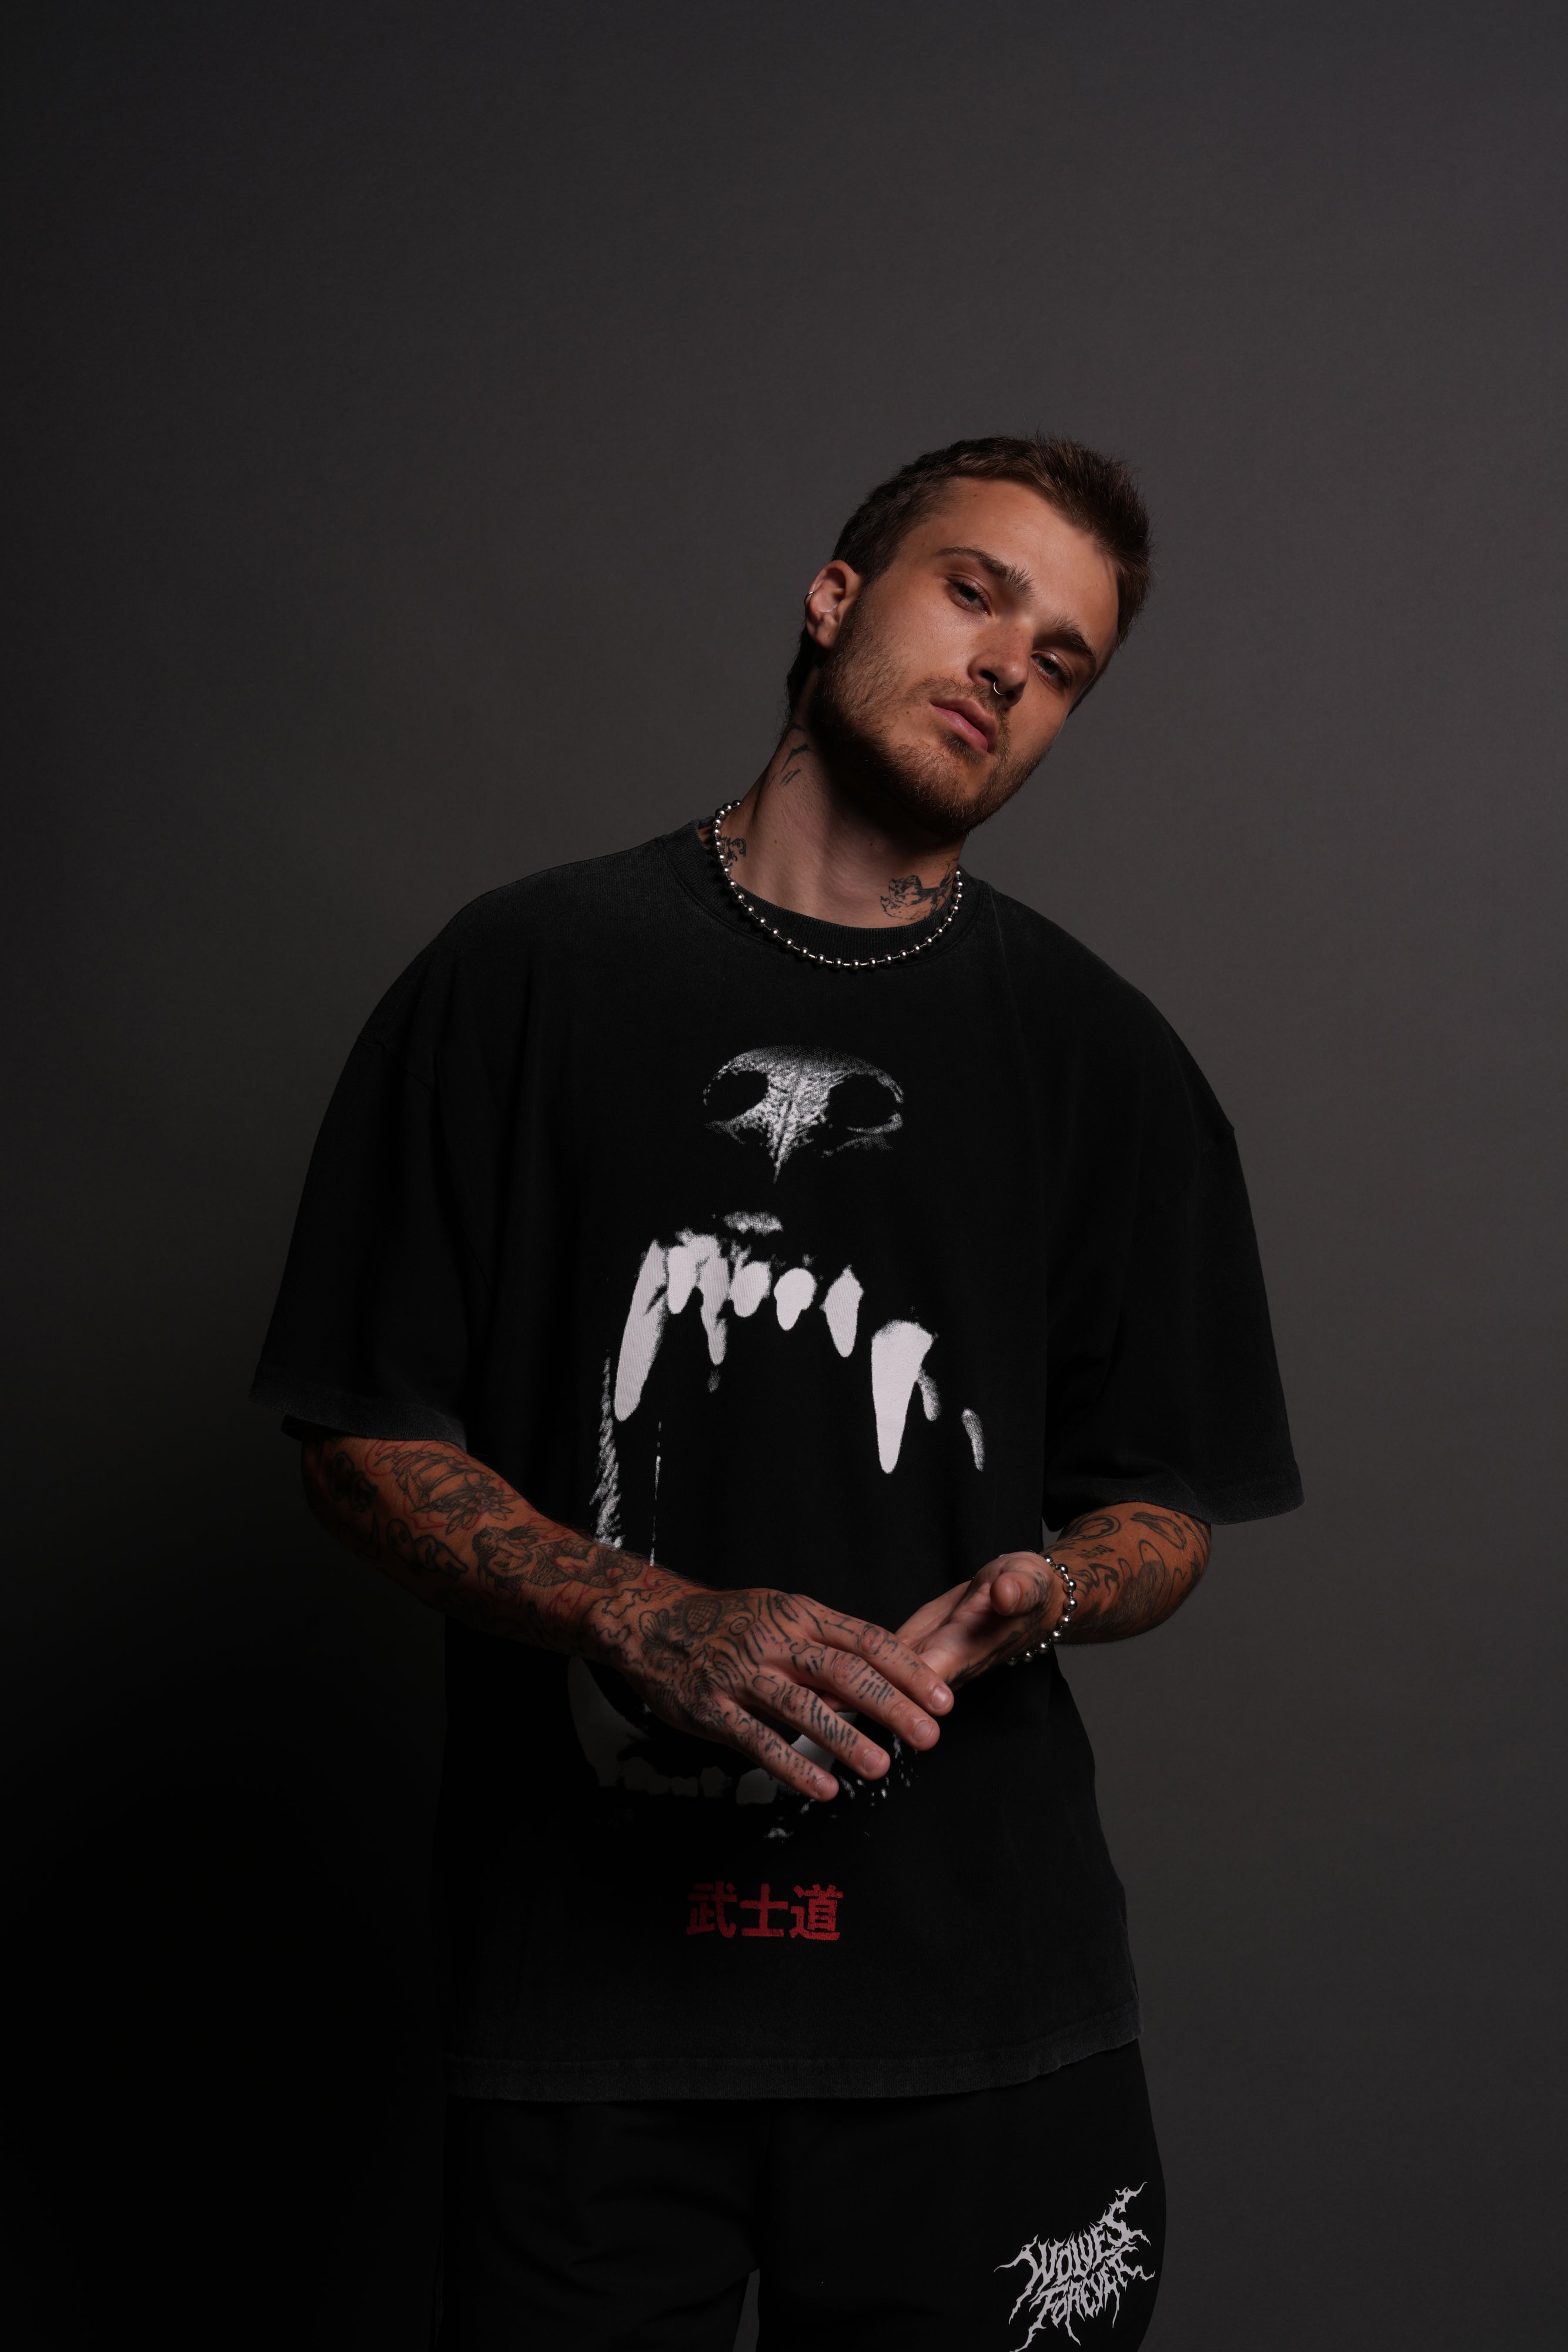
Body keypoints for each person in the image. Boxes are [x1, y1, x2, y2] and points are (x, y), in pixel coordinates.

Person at [252, 435, 1301, 2350]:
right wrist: (631, 1608)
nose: (1006, 664)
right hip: (585, 2011)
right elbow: (359, 1434)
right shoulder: (523, 975)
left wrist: (1055, 1588)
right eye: (973, 591)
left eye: (1061, 658)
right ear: (834, 595)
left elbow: (1162, 1503)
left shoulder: (1106, 1060)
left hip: (976, 2006)